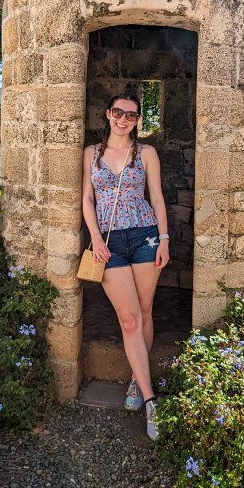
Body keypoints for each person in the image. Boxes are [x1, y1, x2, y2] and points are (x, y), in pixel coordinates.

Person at [82, 93, 170, 440]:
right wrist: (96, 238)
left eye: (131, 115)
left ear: (137, 120)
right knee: (130, 318)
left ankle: (137, 381)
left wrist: (164, 239)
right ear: (108, 114)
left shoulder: (146, 153)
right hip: (109, 242)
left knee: (145, 312)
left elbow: (157, 197)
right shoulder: (91, 154)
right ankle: (151, 400)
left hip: (145, 235)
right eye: (118, 112)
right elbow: (87, 199)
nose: (123, 119)